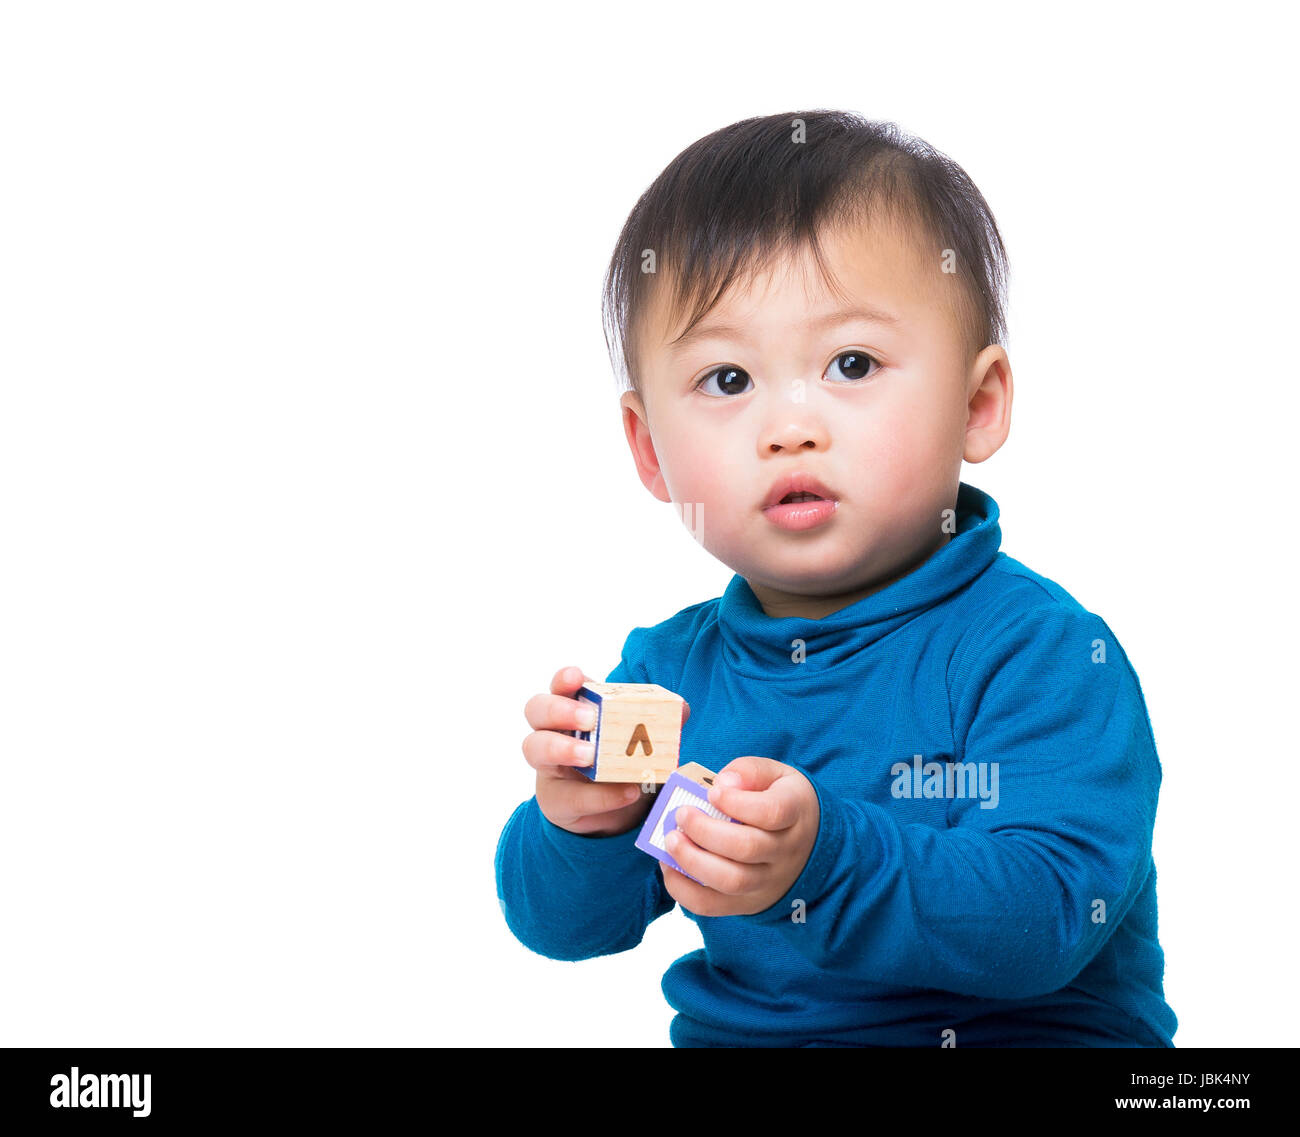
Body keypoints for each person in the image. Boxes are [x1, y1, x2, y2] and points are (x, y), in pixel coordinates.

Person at [495, 109, 1177, 1047]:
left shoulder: (1042, 653)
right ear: (650, 450)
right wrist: (581, 825)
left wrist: (824, 862)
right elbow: (566, 927)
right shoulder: (666, 677)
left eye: (851, 364)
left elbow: (1052, 914)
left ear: (978, 405)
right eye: (728, 380)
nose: (790, 427)